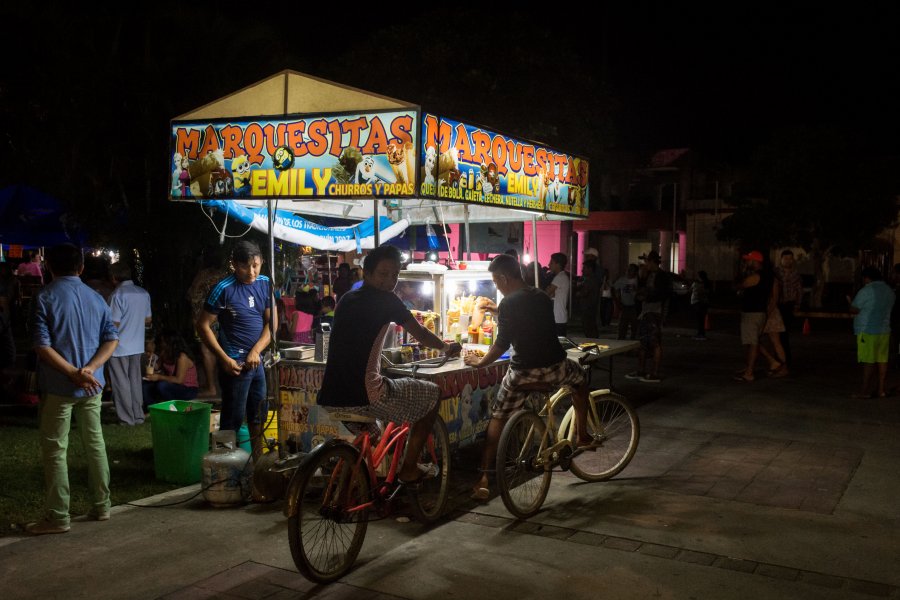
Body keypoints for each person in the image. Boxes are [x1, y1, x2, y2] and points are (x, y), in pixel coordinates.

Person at [317, 244, 461, 486]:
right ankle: (409, 468)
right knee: (433, 394)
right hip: (368, 395)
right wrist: (447, 347)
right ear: (368, 273)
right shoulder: (388, 301)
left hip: (331, 396)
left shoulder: (345, 299)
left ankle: (366, 486)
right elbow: (422, 335)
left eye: (395, 274)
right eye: (384, 274)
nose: (390, 280)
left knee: (376, 438)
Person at [464, 254, 591, 501]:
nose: (497, 286)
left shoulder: (509, 304)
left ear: (502, 277)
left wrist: (480, 362)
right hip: (555, 368)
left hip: (523, 374)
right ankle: (582, 434)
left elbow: (501, 343)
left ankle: (484, 477)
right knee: (581, 379)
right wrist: (497, 308)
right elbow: (527, 315)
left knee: (498, 417)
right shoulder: (541, 296)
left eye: (496, 282)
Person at [27, 243, 119, 534]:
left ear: (48, 267)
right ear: (81, 267)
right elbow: (111, 339)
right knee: (95, 444)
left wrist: (73, 373)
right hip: (92, 385)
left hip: (58, 386)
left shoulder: (44, 297)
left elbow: (42, 346)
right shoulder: (97, 298)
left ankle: (58, 517)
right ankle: (102, 506)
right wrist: (90, 370)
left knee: (56, 449)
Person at [197, 240, 273, 460]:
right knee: (232, 419)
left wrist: (256, 351)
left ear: (262, 263)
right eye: (245, 266)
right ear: (234, 264)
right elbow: (202, 325)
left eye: (256, 265)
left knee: (259, 415)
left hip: (256, 361)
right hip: (235, 365)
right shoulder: (223, 289)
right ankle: (224, 470)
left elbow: (272, 323)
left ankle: (258, 464)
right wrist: (224, 358)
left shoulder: (265, 283)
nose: (251, 272)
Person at [106, 262, 152, 425]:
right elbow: (148, 320)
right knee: (135, 381)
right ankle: (138, 415)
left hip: (118, 346)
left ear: (113, 277)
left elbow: (113, 324)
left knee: (120, 382)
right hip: (137, 344)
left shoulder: (117, 295)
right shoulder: (143, 293)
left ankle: (126, 418)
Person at [848, 267, 895, 399]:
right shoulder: (889, 291)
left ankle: (864, 391)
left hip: (868, 330)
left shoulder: (866, 290)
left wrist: (850, 303)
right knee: (882, 360)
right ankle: (881, 389)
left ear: (867, 278)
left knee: (868, 360)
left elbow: (854, 309)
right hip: (884, 330)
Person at [187, 245, 227, 398]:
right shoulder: (225, 276)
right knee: (221, 351)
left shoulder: (202, 276)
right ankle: (218, 384)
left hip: (205, 320)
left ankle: (211, 387)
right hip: (223, 320)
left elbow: (191, 295)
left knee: (207, 351)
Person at [626, 251, 670, 383]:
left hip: (654, 312)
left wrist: (646, 296)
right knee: (643, 342)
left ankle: (654, 372)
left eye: (647, 262)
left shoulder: (662, 276)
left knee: (655, 342)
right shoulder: (649, 275)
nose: (645, 264)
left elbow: (663, 295)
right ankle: (641, 370)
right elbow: (641, 289)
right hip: (645, 312)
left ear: (652, 262)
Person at [734, 250, 773, 383]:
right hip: (759, 312)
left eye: (748, 260)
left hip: (752, 313)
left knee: (752, 343)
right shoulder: (766, 276)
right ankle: (749, 368)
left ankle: (749, 372)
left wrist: (742, 272)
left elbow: (739, 285)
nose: (747, 262)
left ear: (755, 261)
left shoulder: (756, 276)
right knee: (752, 342)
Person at [142, 330, 199, 411]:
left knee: (162, 385)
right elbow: (156, 367)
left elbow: (179, 380)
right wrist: (151, 355)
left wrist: (158, 377)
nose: (161, 343)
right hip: (172, 384)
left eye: (163, 341)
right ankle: (151, 409)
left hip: (188, 389)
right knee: (146, 384)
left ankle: (172, 408)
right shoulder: (165, 353)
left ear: (171, 343)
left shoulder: (182, 357)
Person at [775, 249, 802, 366]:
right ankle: (781, 357)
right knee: (777, 332)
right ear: (781, 259)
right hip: (777, 304)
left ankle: (784, 358)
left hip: (788, 305)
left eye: (790, 259)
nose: (788, 261)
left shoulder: (795, 273)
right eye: (786, 259)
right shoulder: (775, 272)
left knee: (784, 332)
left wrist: (797, 304)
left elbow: (799, 290)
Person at [545, 252, 570, 336]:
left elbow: (547, 293)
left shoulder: (560, 277)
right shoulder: (561, 277)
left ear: (558, 264)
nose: (549, 264)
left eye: (551, 262)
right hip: (558, 316)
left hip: (558, 317)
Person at [613, 264, 640, 340]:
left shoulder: (638, 280)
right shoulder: (622, 280)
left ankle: (632, 343)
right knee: (622, 327)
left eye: (631, 270)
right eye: (628, 269)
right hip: (624, 306)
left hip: (634, 306)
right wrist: (617, 301)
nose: (628, 271)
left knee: (634, 327)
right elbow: (614, 288)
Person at [577, 261, 599, 338]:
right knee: (590, 327)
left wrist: (578, 293)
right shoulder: (590, 279)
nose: (582, 270)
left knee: (589, 328)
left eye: (584, 268)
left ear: (590, 269)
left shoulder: (590, 280)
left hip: (588, 307)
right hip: (590, 307)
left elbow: (584, 293)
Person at [691, 270, 711, 340]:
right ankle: (701, 333)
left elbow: (697, 292)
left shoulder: (698, 284)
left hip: (699, 303)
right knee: (701, 319)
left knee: (700, 319)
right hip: (703, 303)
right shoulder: (706, 283)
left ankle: (700, 334)